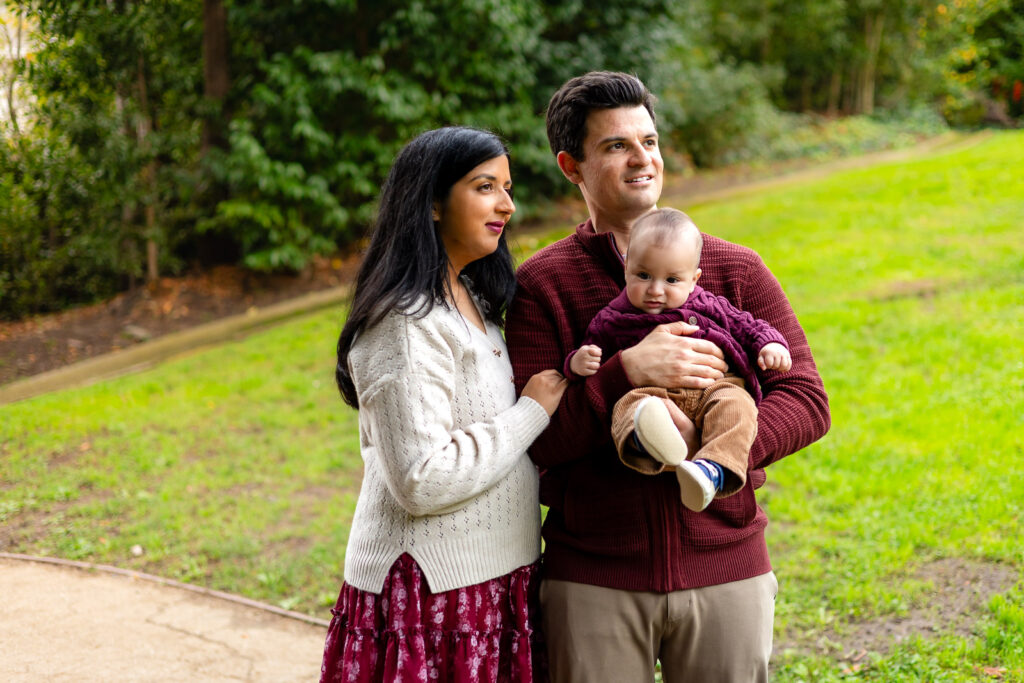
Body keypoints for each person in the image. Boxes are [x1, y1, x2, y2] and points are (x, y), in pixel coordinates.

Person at [505, 71, 831, 682]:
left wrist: (706, 449)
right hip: (596, 575)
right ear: (570, 165)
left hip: (726, 565)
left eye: (649, 141)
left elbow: (809, 400)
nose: (642, 159)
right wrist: (624, 373)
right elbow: (537, 440)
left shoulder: (732, 268)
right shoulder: (542, 286)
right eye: (616, 146)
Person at [322, 126, 566, 683]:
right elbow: (421, 478)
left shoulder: (473, 299)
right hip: (434, 596)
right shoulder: (405, 323)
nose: (507, 204)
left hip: (495, 581)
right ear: (432, 202)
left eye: (507, 187)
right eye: (485, 187)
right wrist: (532, 413)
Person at [566, 207, 793, 513]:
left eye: (672, 280)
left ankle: (713, 469)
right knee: (629, 407)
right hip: (653, 395)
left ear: (693, 279)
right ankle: (646, 444)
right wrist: (577, 361)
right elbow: (592, 352)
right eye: (643, 276)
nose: (655, 290)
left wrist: (770, 344)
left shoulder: (709, 305)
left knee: (737, 406)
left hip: (714, 389)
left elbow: (747, 325)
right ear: (626, 269)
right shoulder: (612, 319)